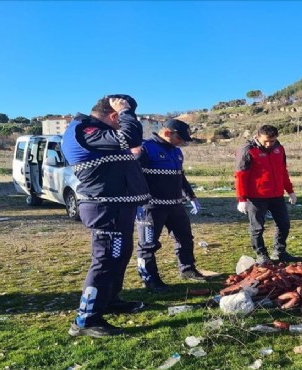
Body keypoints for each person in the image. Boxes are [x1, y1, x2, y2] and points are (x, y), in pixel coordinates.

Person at [62, 95, 151, 338]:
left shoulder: (98, 134)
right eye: (121, 117)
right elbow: (129, 136)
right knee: (105, 261)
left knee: (119, 256)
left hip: (118, 207)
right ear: (114, 115)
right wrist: (126, 112)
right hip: (105, 208)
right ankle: (86, 320)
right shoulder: (87, 130)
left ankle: (109, 300)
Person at [135, 118, 206, 291]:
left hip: (175, 205)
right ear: (167, 133)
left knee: (185, 239)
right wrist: (136, 202)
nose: (181, 142)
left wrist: (191, 196)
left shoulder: (176, 152)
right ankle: (150, 279)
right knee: (148, 244)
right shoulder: (145, 149)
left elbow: (180, 176)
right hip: (151, 207)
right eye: (179, 138)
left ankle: (187, 269)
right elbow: (133, 176)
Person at [234, 124, 297, 265]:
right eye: (265, 141)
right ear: (257, 136)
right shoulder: (248, 150)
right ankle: (261, 254)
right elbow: (240, 176)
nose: (269, 144)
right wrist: (241, 198)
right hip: (256, 197)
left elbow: (283, 171)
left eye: (272, 141)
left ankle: (279, 251)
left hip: (276, 195)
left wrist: (290, 190)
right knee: (257, 227)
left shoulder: (279, 149)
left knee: (284, 224)